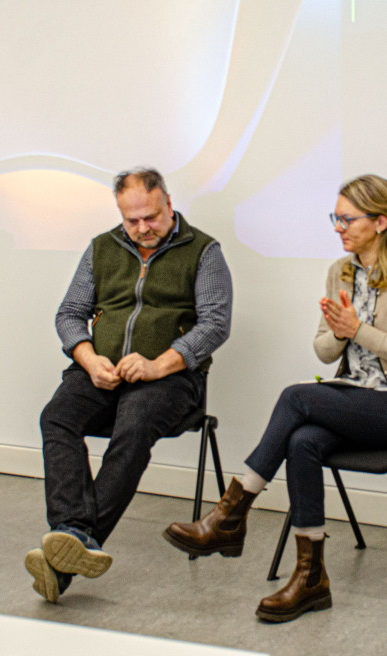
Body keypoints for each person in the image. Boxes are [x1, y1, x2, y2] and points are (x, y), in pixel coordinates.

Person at [163, 174, 387, 623]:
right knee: (303, 441)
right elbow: (324, 351)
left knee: (295, 398)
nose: (338, 227)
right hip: (357, 399)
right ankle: (310, 577)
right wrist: (340, 332)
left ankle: (231, 513)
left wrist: (360, 330)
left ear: (380, 221)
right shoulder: (340, 272)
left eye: (347, 219)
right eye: (336, 217)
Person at [25, 168, 233, 603]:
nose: (142, 228)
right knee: (56, 417)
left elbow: (215, 324)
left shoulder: (204, 251)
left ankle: (70, 547)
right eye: (131, 220)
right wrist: (89, 358)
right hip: (101, 371)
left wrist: (159, 365)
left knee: (133, 424)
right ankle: (75, 534)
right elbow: (69, 314)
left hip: (171, 379)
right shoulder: (101, 248)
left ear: (169, 204)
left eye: (151, 217)